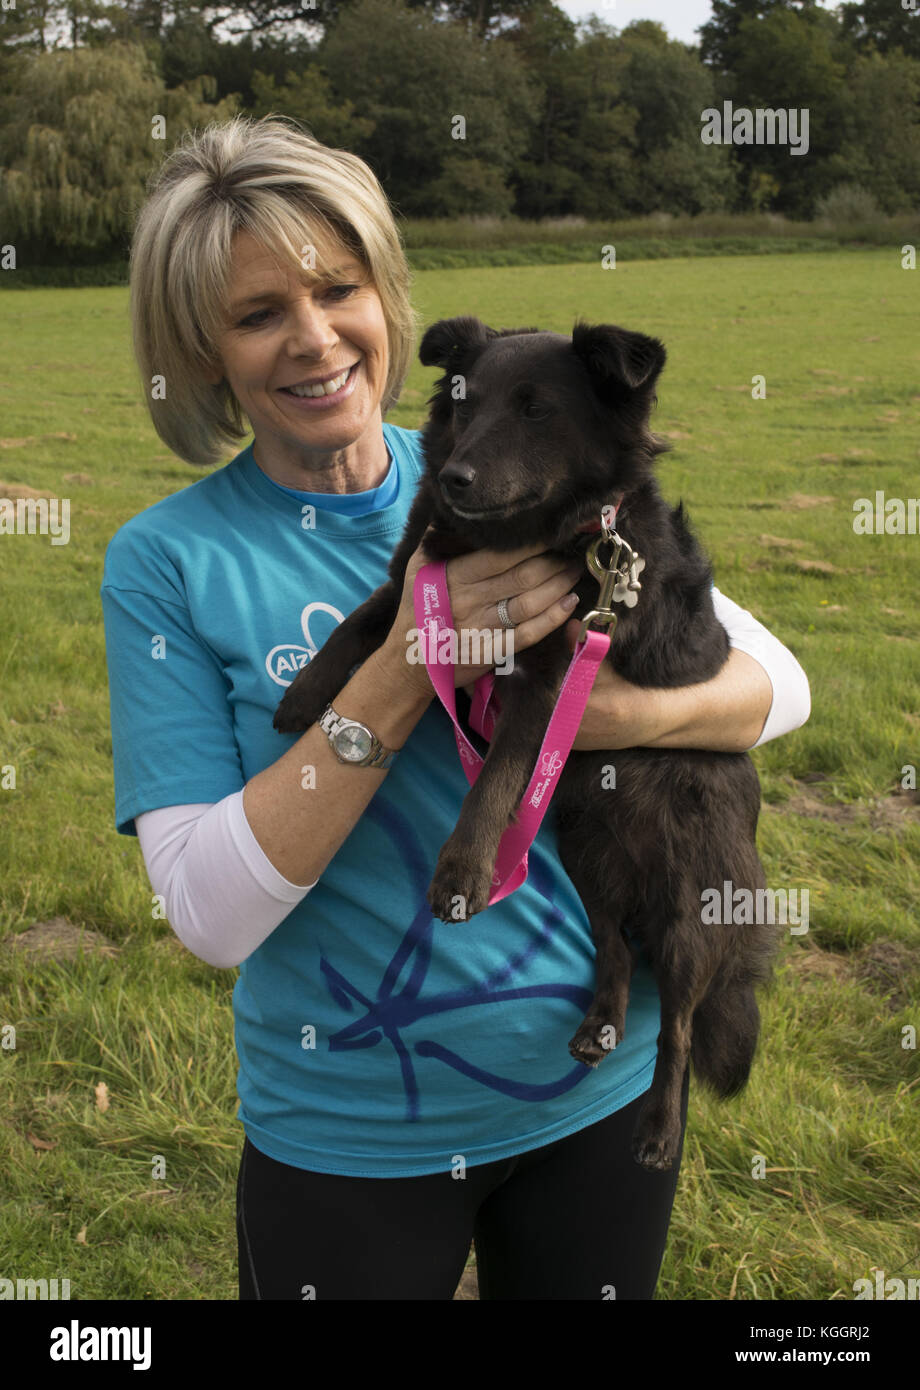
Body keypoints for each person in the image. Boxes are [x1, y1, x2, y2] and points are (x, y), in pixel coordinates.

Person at [101, 115, 811, 1301]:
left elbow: (774, 685)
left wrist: (601, 717)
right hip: (352, 1126)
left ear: (387, 295)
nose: (314, 338)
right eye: (256, 312)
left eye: (338, 289)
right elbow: (208, 917)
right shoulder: (168, 562)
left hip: (598, 1090)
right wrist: (396, 674)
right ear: (202, 350)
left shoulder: (503, 472)